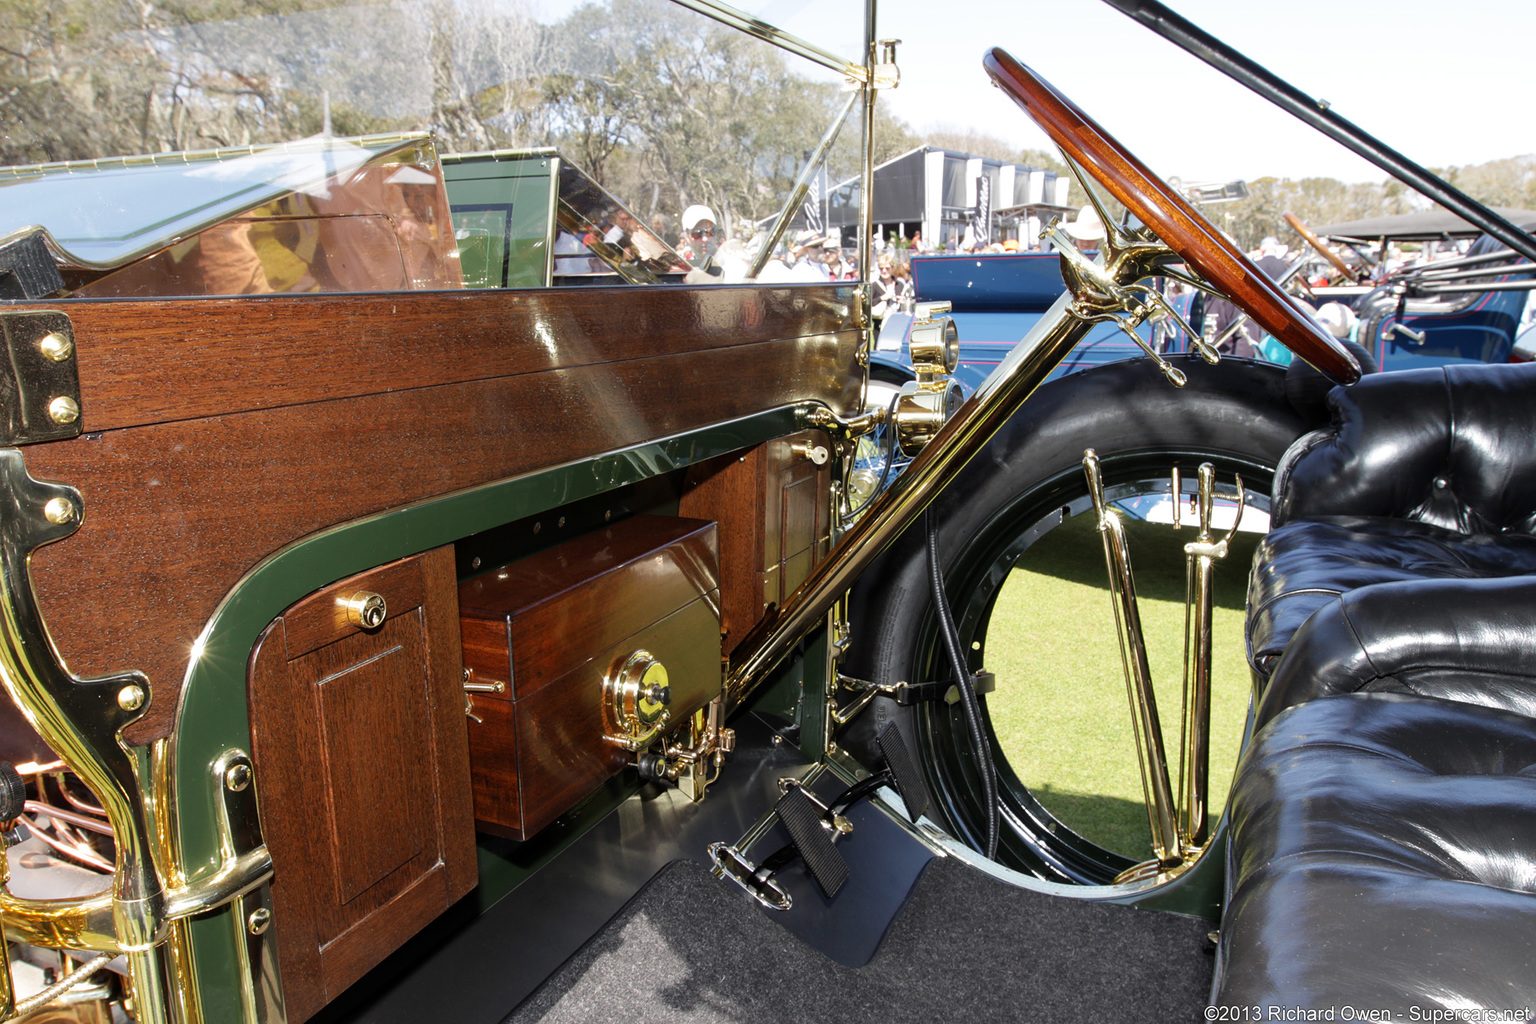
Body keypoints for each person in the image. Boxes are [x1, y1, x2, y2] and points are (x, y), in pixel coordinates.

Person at [677, 204, 719, 270]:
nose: (705, 239)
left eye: (709, 232)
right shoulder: (680, 266)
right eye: (697, 234)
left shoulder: (730, 264)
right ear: (686, 237)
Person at [871, 254, 908, 320]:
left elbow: (906, 303)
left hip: (898, 321)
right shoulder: (875, 285)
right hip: (880, 324)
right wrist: (881, 298)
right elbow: (868, 304)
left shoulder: (899, 284)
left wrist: (903, 300)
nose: (884, 271)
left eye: (887, 268)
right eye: (881, 268)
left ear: (892, 268)